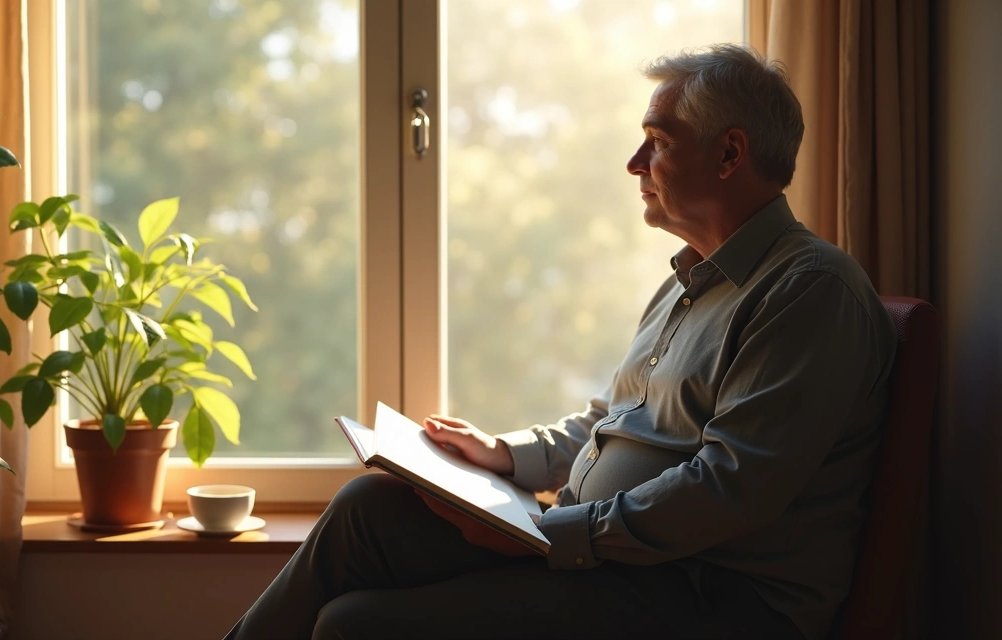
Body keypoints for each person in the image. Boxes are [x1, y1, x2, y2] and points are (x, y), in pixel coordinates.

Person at [225, 43, 896, 640]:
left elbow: (730, 487)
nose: (634, 163)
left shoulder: (810, 291)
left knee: (352, 626)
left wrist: (550, 537)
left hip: (709, 593)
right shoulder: (689, 282)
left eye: (657, 142)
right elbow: (613, 421)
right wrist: (504, 455)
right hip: (615, 558)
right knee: (367, 509)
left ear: (729, 154)